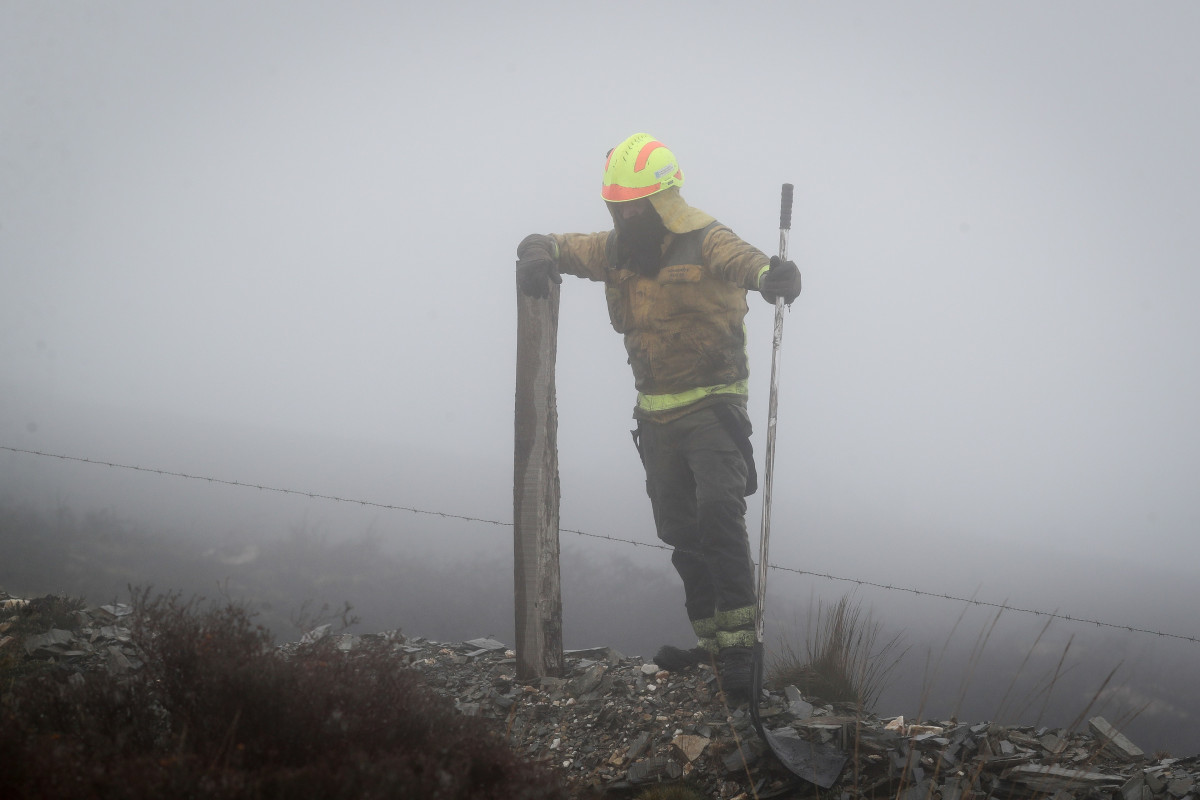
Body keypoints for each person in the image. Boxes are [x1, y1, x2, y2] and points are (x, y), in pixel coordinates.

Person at [515, 132, 801, 703]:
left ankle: (743, 654)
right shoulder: (619, 249)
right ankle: (714, 648)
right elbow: (557, 243)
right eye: (616, 207)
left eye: (633, 206)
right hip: (655, 420)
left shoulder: (706, 239)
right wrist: (537, 250)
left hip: (713, 411)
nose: (624, 216)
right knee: (680, 533)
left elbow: (744, 261)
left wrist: (773, 275)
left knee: (719, 515)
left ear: (661, 201)